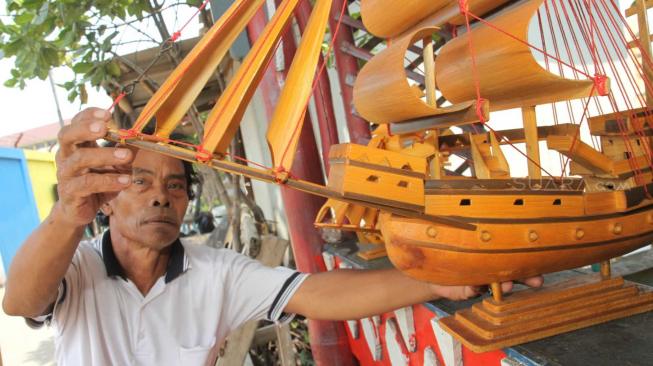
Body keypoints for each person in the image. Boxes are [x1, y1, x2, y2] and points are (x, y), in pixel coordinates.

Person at [2, 108, 542, 365]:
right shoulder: (74, 268)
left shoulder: (216, 272)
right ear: (109, 195)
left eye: (174, 185)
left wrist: (436, 284)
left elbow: (317, 294)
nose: (160, 197)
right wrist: (64, 218)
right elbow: (20, 300)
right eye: (139, 182)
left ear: (188, 200)